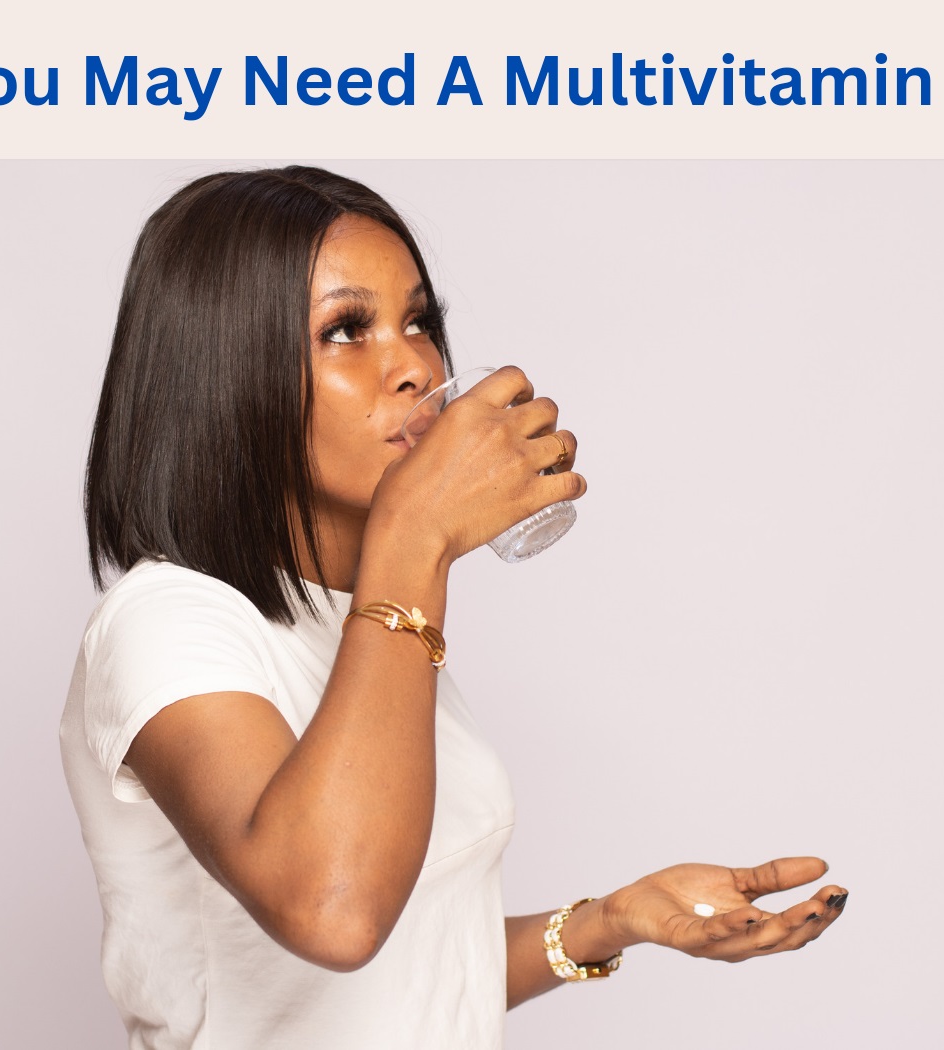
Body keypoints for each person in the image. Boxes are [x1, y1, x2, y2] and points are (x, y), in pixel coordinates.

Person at [59, 166, 847, 1049]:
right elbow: (335, 911)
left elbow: (411, 971)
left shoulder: (358, 621)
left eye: (419, 321)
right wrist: (417, 539)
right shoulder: (168, 619)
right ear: (224, 371)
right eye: (346, 329)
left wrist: (609, 921)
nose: (414, 367)